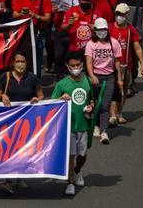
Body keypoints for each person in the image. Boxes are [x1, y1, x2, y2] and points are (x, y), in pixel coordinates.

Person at [51, 51, 96, 197]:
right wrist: (60, 98)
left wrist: (91, 106)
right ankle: (69, 183)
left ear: (82, 65)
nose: (75, 67)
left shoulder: (88, 82)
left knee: (82, 154)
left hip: (84, 125)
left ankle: (77, 171)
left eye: (77, 65)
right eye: (72, 65)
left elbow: (92, 100)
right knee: (71, 155)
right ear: (67, 66)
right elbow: (51, 103)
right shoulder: (61, 84)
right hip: (68, 126)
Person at [83, 17, 121, 145]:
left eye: (104, 29)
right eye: (99, 30)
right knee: (95, 103)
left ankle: (104, 131)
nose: (102, 32)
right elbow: (88, 61)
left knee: (105, 105)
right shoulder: (90, 44)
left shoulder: (114, 43)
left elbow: (117, 62)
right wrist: (92, 76)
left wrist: (119, 79)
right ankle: (96, 125)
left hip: (109, 77)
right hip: (95, 77)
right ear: (95, 31)